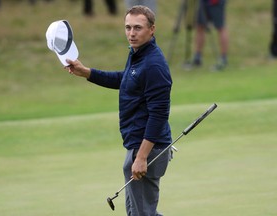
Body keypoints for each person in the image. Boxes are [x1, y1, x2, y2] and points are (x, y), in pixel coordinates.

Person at [65, 5, 172, 215]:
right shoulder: (138, 55)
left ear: (152, 29)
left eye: (138, 28)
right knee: (137, 212)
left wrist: (141, 157)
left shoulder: (153, 66)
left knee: (142, 213)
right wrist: (87, 72)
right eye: (128, 27)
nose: (131, 33)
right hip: (137, 145)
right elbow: (125, 80)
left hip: (148, 148)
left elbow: (159, 114)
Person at [190, 0, 229, 70]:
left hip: (216, 2)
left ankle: (223, 58)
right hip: (202, 2)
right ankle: (197, 57)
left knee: (220, 27)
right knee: (200, 26)